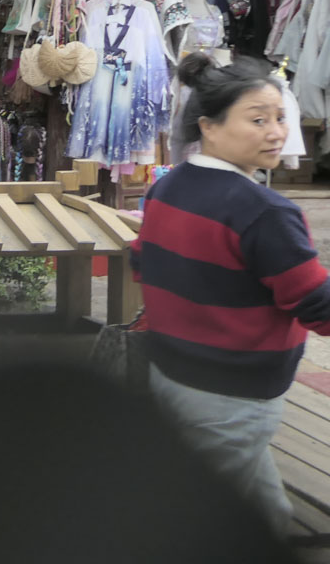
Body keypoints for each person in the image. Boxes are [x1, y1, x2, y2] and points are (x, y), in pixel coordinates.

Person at [133, 54, 330, 532]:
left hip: (171, 372)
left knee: (251, 494)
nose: (275, 132)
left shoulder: (167, 187)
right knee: (209, 521)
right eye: (258, 119)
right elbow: (315, 305)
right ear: (210, 126)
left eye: (281, 117)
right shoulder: (264, 211)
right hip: (233, 390)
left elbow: (142, 261)